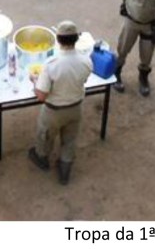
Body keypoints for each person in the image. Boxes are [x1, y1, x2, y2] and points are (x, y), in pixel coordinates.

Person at [27, 20, 93, 185]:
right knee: (69, 140)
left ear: (57, 39)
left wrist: (35, 81)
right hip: (76, 108)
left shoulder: (51, 65)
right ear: (76, 39)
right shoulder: (86, 61)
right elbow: (82, 80)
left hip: (53, 111)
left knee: (46, 136)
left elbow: (41, 96)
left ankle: (41, 158)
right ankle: (65, 171)